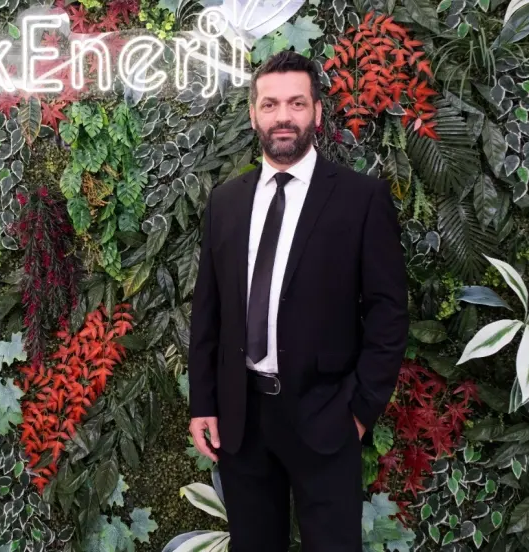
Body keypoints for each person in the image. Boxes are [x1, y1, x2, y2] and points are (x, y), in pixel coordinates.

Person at [187, 50, 409, 551]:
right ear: (253, 114)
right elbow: (208, 311)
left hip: (326, 417)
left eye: (296, 103)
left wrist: (359, 411)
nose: (282, 116)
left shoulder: (361, 199)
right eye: (270, 104)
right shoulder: (225, 202)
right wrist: (204, 402)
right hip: (242, 421)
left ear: (317, 112)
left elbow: (388, 314)